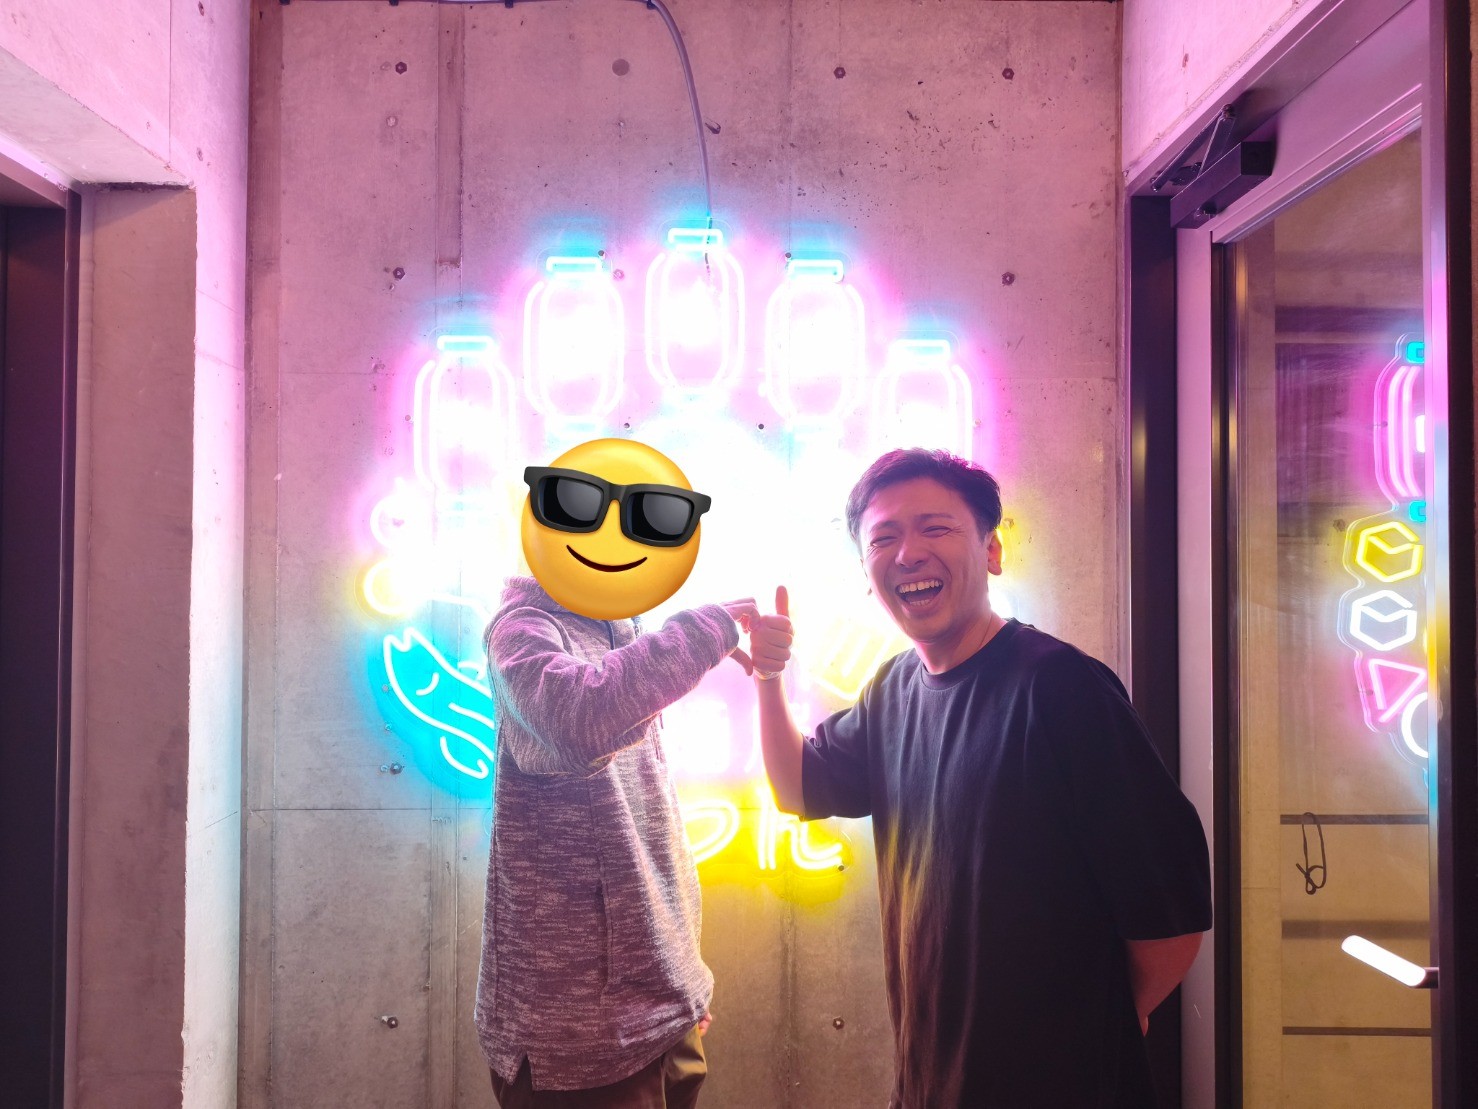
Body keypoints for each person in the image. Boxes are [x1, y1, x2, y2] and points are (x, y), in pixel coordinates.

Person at [744, 448, 1213, 1108]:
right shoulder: (892, 690)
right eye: (883, 538)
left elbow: (1170, 917)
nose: (909, 553)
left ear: (991, 550)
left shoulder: (1061, 688)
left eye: (935, 528)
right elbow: (798, 788)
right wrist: (769, 677)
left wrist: (1095, 1026)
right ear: (868, 574)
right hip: (932, 1081)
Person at [477, 579, 757, 1107]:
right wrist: (701, 634)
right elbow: (577, 720)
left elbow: (643, 841)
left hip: (667, 1015)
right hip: (577, 1046)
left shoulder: (626, 631)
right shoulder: (522, 629)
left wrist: (680, 983)